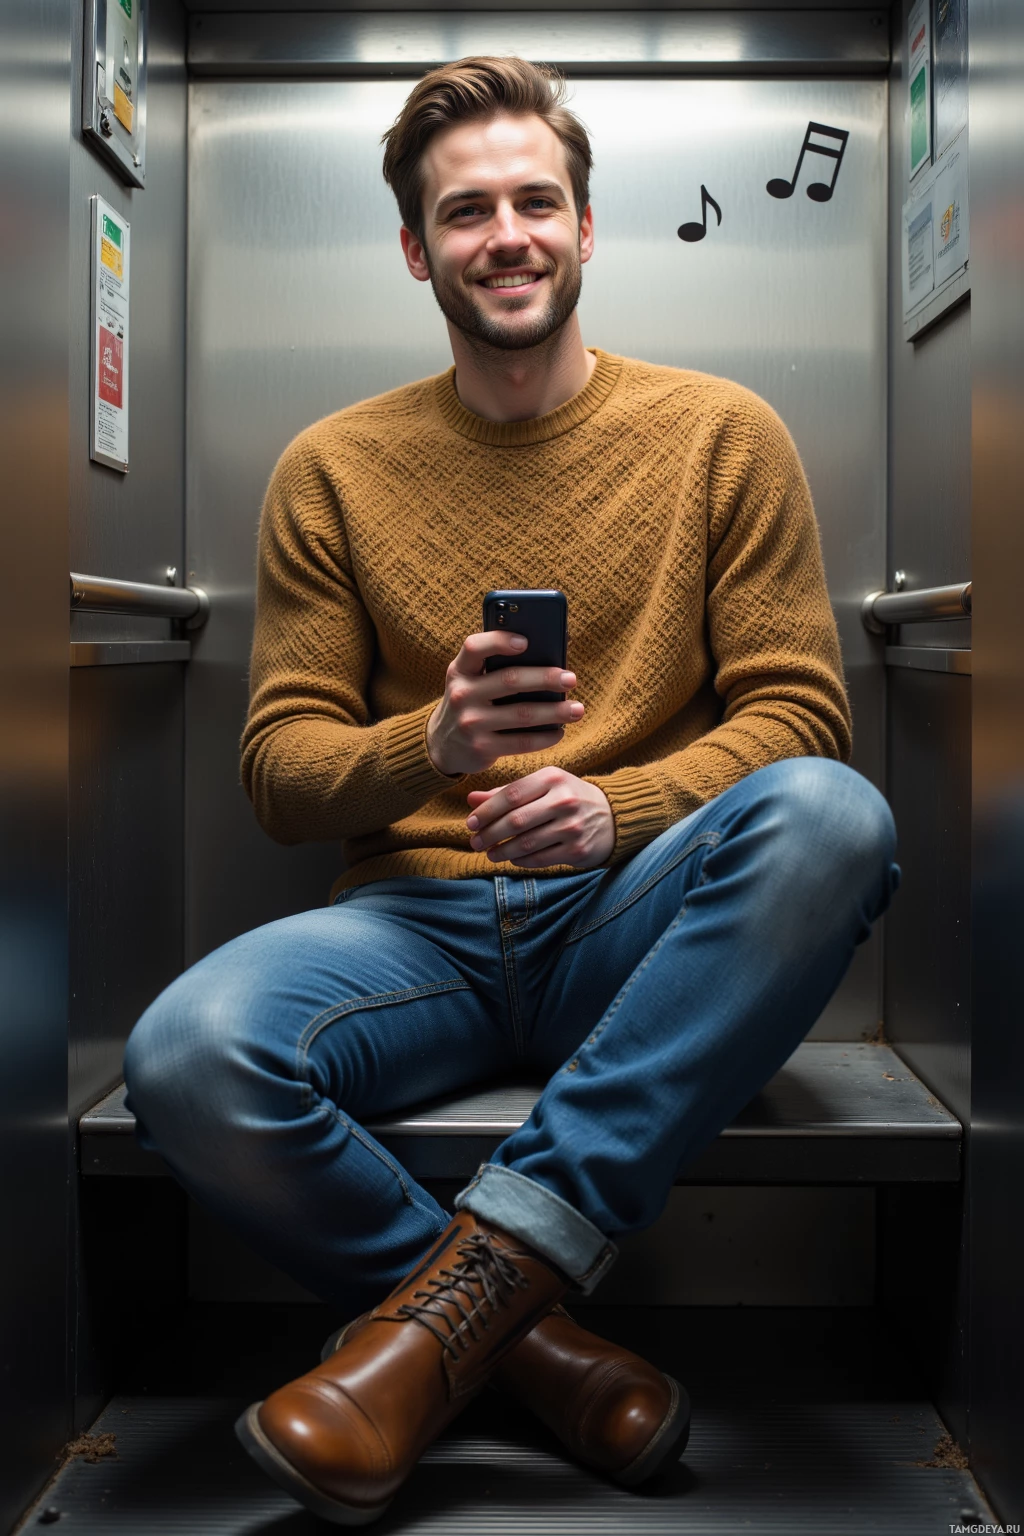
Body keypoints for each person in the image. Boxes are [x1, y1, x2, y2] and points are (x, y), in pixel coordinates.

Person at [123, 55, 898, 1524]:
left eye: (538, 201)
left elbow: (804, 718)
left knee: (834, 822)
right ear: (418, 250)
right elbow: (282, 776)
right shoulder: (330, 469)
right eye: (466, 212)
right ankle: (527, 1346)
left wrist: (622, 809)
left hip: (635, 930)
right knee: (185, 1057)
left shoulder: (721, 436)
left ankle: (425, 1339)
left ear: (588, 228)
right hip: (414, 937)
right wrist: (435, 745)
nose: (509, 236)